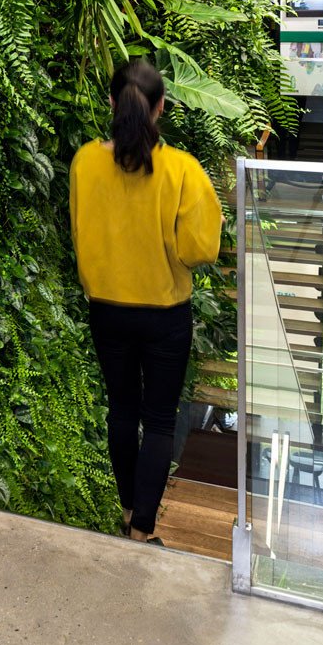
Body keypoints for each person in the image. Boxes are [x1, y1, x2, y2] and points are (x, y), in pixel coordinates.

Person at [69, 59, 222, 544]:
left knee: (122, 411)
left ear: (111, 102)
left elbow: (79, 232)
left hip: (107, 310)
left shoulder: (85, 161)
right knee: (158, 420)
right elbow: (202, 249)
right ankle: (142, 529)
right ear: (161, 107)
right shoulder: (181, 169)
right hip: (164, 315)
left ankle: (128, 509)